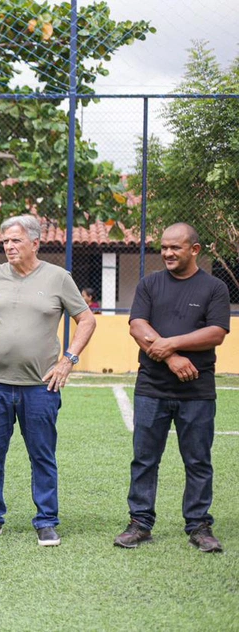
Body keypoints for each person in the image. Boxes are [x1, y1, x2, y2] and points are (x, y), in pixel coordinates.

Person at [0, 214, 96, 546]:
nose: (9, 246)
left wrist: (68, 360)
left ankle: (46, 520)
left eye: (16, 241)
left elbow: (86, 320)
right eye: (6, 241)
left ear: (35, 243)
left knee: (42, 455)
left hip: (41, 386)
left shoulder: (58, 278)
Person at [113, 223, 230, 553]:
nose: (167, 253)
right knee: (145, 460)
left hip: (197, 390)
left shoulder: (214, 287)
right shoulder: (150, 284)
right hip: (151, 388)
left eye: (175, 248)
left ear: (194, 250)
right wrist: (172, 359)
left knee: (198, 461)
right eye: (163, 247)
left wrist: (171, 345)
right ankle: (140, 524)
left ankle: (198, 525)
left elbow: (216, 332)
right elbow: (137, 326)